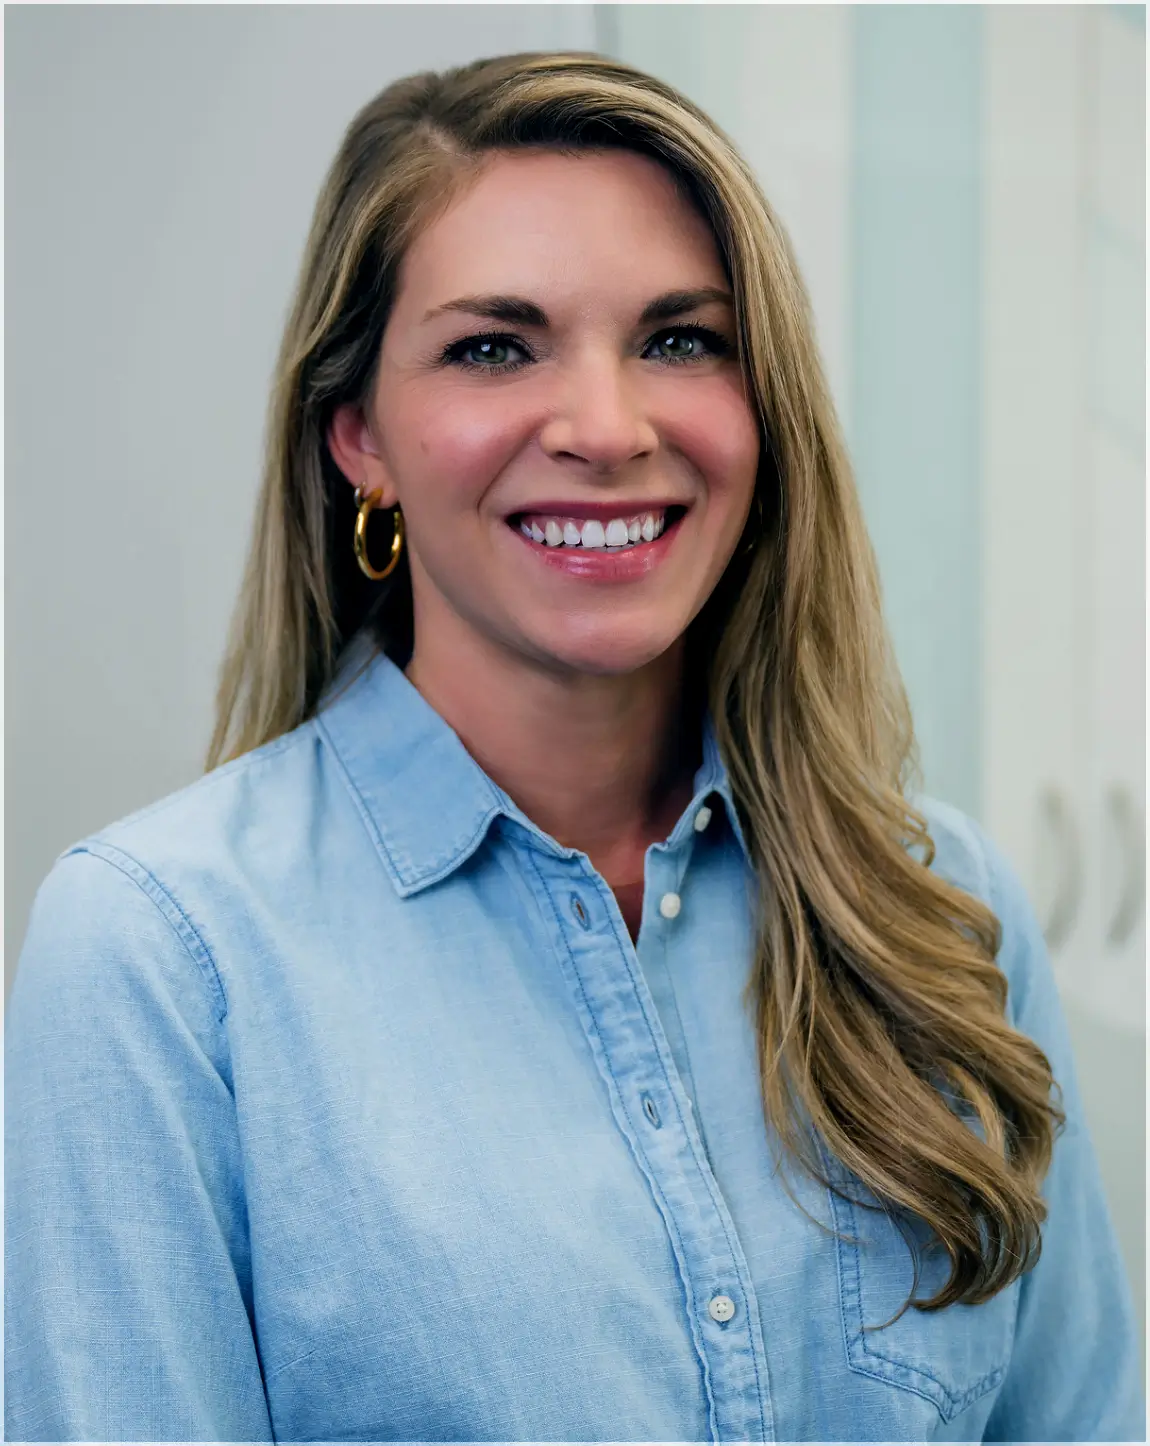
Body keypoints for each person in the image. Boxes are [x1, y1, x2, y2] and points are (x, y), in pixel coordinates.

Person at [5, 50, 1143, 1445]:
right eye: (494, 345)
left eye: (681, 339)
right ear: (357, 433)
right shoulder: (164, 961)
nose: (608, 429)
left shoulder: (942, 906)